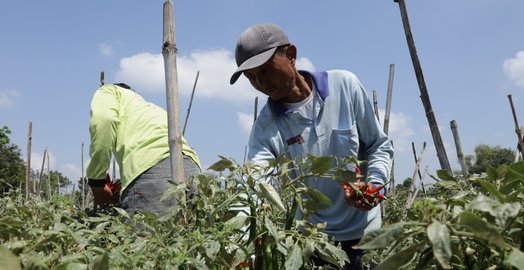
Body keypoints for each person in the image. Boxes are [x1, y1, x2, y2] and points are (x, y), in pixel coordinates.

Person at [230, 23, 393, 269]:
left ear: (291, 55)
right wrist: (238, 246)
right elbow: (252, 186)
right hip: (314, 241)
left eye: (264, 70)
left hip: (367, 234)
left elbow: (378, 145)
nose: (260, 82)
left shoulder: (344, 86)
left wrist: (374, 186)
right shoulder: (266, 127)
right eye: (251, 77)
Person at [86, 83, 202, 214]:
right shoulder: (149, 108)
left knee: (148, 234)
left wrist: (97, 182)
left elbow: (105, 120)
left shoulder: (109, 90)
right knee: (188, 232)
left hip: (152, 167)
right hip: (191, 167)